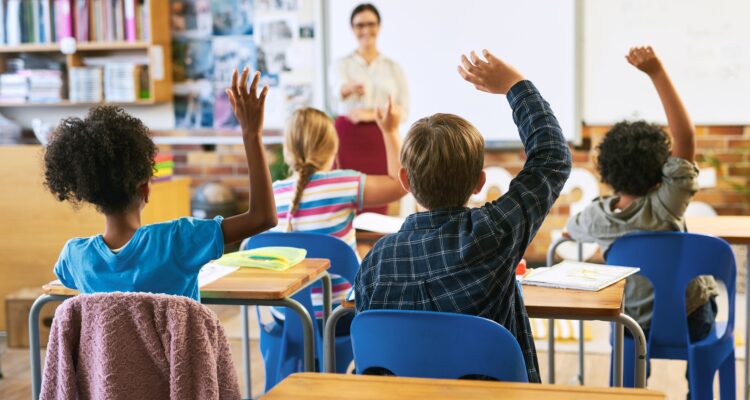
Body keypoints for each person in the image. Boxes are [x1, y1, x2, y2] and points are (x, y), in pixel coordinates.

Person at [355, 49, 572, 382]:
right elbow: (552, 157)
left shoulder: (375, 263)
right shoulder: (493, 234)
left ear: (405, 182)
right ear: (479, 183)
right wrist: (515, 84)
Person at [46, 68, 277, 301]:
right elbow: (263, 217)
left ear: (91, 195)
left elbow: (66, 278)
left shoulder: (75, 257)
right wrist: (251, 134)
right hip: (178, 340)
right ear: (144, 189)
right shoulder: (178, 241)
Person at [565, 46, 718, 377]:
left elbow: (571, 230)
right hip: (689, 315)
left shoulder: (596, 218)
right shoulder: (667, 205)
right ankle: (698, 386)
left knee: (621, 326)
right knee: (703, 302)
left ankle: (629, 386)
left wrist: (584, 239)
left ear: (605, 171)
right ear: (663, 168)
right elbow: (685, 137)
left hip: (632, 323)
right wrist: (656, 72)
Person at [270, 99, 405, 327]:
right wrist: (390, 130)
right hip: (338, 318)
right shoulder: (344, 183)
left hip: (287, 317)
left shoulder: (274, 193)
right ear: (333, 148)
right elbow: (400, 183)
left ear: (288, 150)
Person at [330, 3, 409, 214]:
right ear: (352, 29)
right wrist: (348, 88)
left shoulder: (393, 68)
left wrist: (370, 114)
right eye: (360, 25)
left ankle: (375, 245)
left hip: (381, 136)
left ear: (379, 26)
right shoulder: (341, 65)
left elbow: (404, 109)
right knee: (345, 195)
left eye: (371, 24)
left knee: (382, 196)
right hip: (347, 138)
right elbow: (335, 93)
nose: (366, 30)